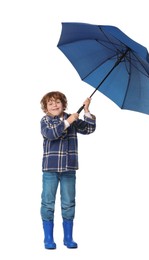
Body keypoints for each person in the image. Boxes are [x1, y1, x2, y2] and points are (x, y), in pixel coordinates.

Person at [40, 91, 96, 249]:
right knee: (48, 203)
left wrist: (86, 111)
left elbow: (90, 129)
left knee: (68, 203)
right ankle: (48, 238)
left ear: (63, 105)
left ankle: (68, 237)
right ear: (46, 108)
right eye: (50, 104)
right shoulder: (45, 121)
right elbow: (51, 134)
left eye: (57, 102)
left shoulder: (72, 118)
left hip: (69, 169)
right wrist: (68, 121)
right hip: (50, 169)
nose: (54, 105)